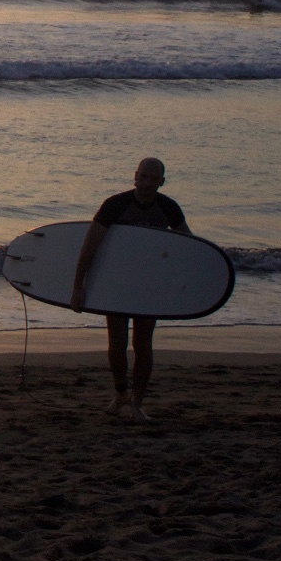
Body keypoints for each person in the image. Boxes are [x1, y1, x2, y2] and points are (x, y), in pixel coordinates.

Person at [70, 156, 190, 424]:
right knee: (117, 343)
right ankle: (121, 391)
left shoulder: (168, 208)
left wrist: (182, 289)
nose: (147, 183)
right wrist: (78, 287)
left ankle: (137, 402)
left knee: (143, 344)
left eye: (153, 179)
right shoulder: (115, 205)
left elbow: (188, 247)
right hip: (117, 284)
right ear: (135, 176)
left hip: (149, 287)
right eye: (143, 177)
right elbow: (90, 247)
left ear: (162, 182)